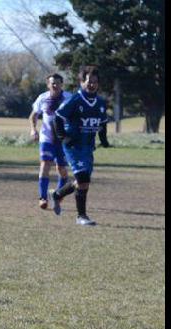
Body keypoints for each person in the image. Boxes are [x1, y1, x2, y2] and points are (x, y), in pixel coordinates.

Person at [51, 65, 111, 226]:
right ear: (82, 82)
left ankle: (57, 195)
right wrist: (63, 137)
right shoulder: (75, 99)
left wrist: (104, 140)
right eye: (89, 81)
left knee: (82, 182)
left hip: (88, 147)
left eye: (95, 82)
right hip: (73, 146)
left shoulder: (100, 102)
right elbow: (57, 118)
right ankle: (81, 216)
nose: (92, 85)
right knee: (83, 178)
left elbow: (103, 123)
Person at [29, 73, 74, 210]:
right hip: (46, 138)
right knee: (45, 165)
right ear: (48, 84)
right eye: (52, 83)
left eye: (58, 83)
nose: (55, 85)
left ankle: (58, 195)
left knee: (61, 169)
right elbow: (33, 115)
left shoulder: (69, 98)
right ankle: (43, 197)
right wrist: (33, 129)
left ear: (62, 84)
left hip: (62, 139)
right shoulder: (42, 98)